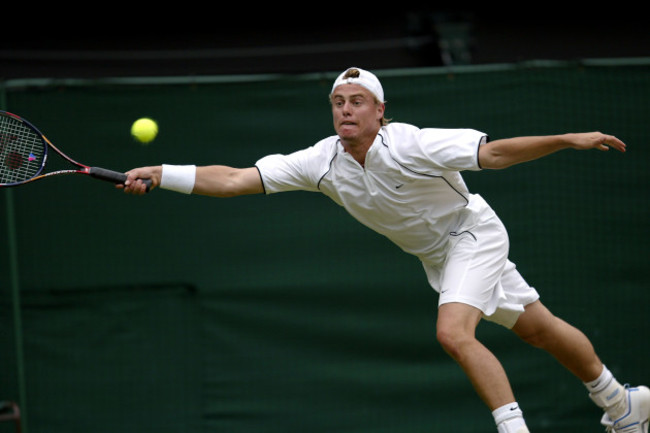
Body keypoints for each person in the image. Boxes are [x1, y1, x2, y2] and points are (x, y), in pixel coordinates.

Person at [121, 67, 647, 433]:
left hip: (473, 234)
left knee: (452, 334)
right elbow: (237, 179)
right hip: (438, 257)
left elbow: (492, 153)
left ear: (379, 111)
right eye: (338, 103)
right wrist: (162, 173)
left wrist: (567, 138)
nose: (345, 110)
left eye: (357, 102)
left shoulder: (413, 143)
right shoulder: (321, 160)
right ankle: (622, 404)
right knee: (539, 328)